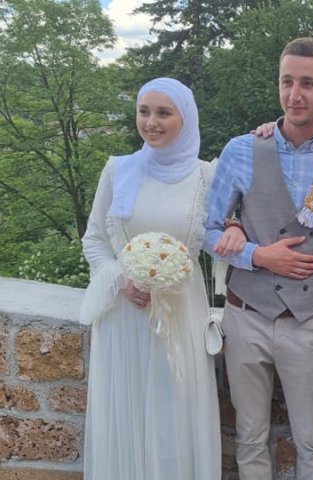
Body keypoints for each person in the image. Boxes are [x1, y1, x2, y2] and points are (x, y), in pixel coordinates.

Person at [205, 37, 313, 479]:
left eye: (307, 83)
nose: (294, 94)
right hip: (244, 315)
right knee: (250, 436)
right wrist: (257, 255)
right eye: (286, 81)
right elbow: (207, 231)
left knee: (312, 439)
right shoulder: (242, 149)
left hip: (306, 320)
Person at [80, 78, 222, 480]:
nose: (151, 122)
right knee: (126, 416)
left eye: (163, 113)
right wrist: (121, 280)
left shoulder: (206, 177)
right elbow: (94, 239)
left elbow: (219, 242)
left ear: (186, 118)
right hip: (125, 317)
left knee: (174, 415)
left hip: (180, 319)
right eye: (144, 111)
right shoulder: (118, 169)